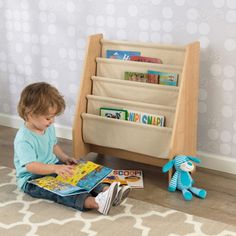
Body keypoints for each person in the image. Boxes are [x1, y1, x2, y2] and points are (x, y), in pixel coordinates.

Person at [14, 82, 131, 215]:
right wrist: (55, 168)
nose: (52, 121)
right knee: (63, 191)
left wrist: (65, 158)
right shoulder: (24, 139)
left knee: (79, 175)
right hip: (33, 179)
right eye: (48, 117)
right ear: (30, 114)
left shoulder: (47, 127)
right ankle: (96, 203)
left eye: (53, 117)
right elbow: (31, 166)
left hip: (53, 166)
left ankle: (107, 192)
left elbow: (53, 146)